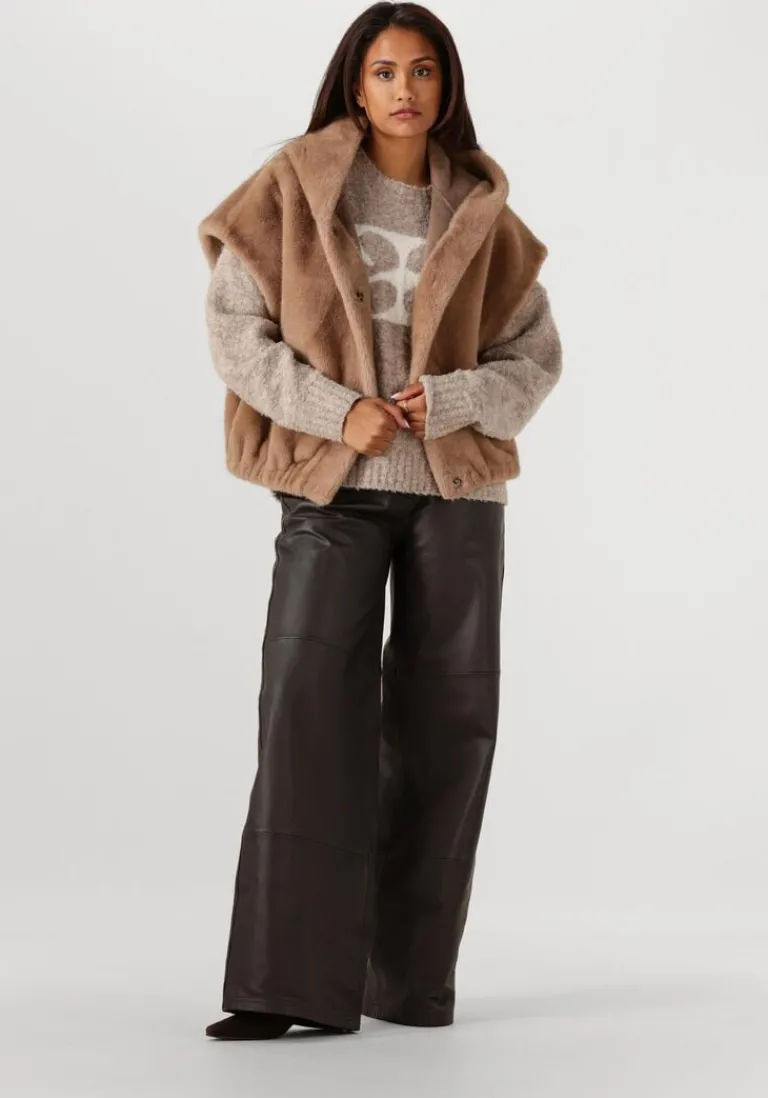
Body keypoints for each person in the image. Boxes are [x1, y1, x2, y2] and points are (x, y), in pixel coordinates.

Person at [198, 1, 562, 1040]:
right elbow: (235, 331)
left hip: (459, 493)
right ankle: (283, 990)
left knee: (450, 731)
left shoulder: (483, 211)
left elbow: (536, 358)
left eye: (425, 70)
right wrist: (336, 411)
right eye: (386, 70)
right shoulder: (292, 188)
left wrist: (454, 399)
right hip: (334, 490)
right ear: (355, 87)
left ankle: (407, 986)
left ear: (447, 87)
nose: (406, 88)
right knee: (307, 714)